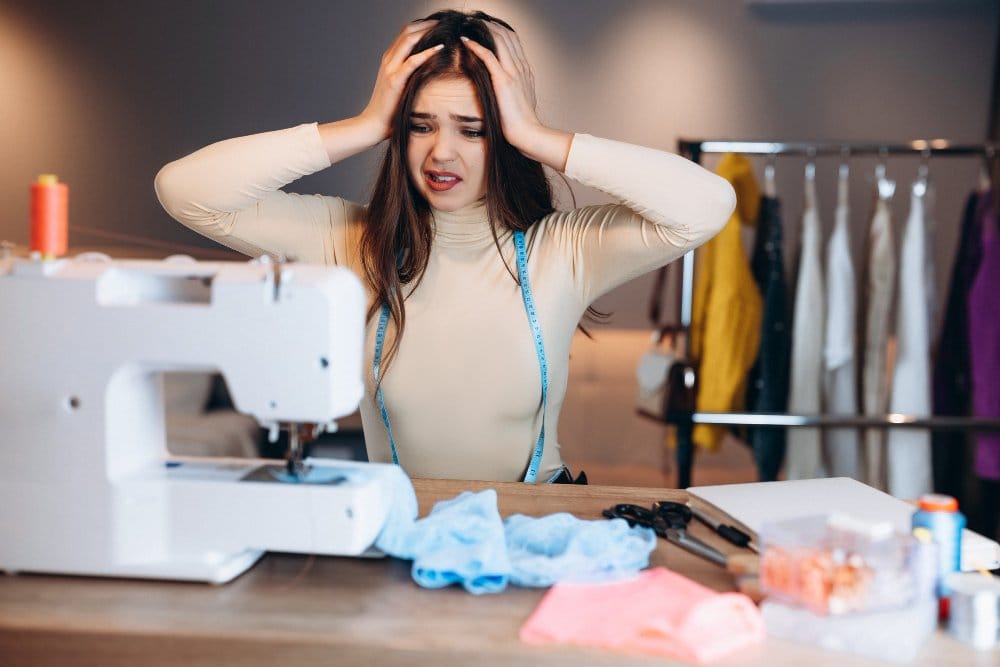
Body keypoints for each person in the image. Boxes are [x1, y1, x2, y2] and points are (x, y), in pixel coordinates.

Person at [155, 9, 735, 483]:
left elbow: (707, 205)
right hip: (400, 538)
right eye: (421, 125)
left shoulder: (564, 251)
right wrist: (365, 124)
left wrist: (534, 135)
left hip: (535, 526)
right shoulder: (350, 243)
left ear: (502, 137)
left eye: (472, 129)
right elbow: (186, 192)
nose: (441, 154)